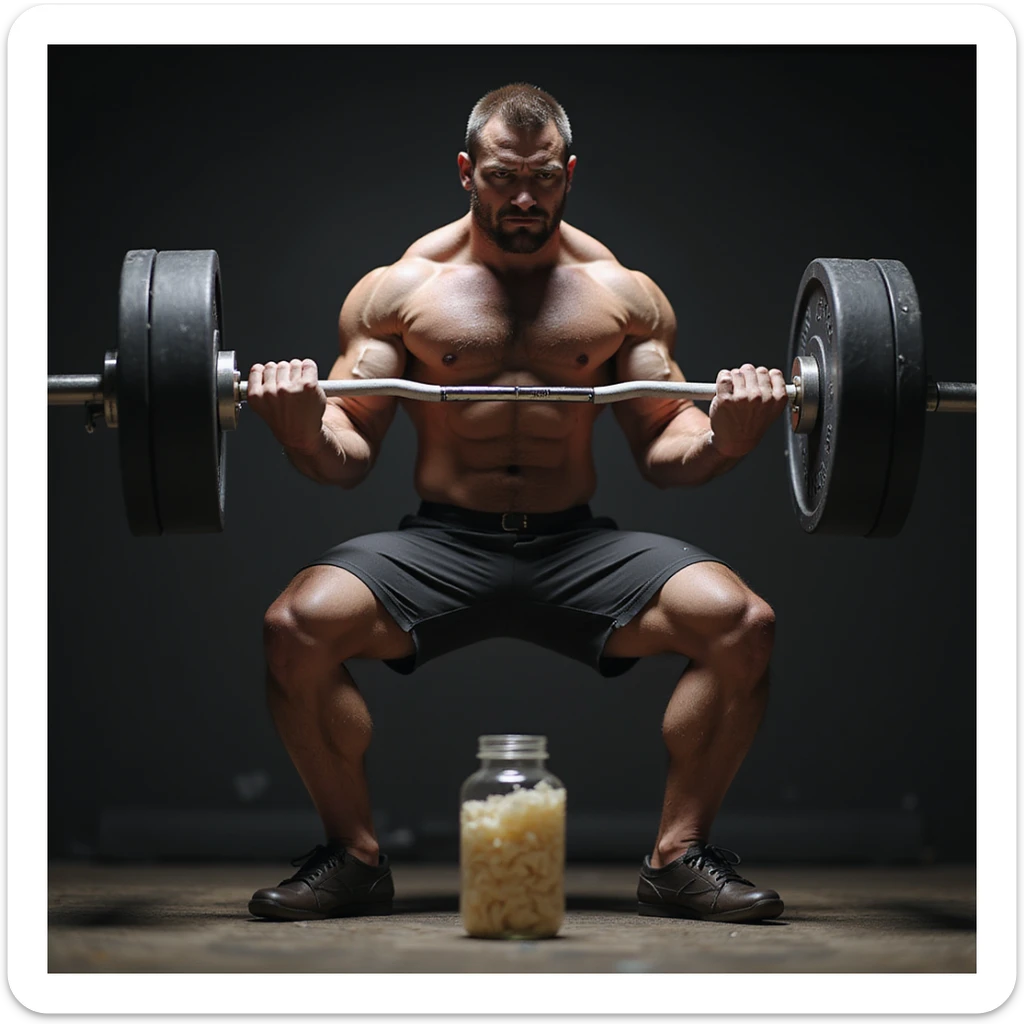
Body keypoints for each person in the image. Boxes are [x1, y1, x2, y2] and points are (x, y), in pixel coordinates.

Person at [245, 83, 789, 925]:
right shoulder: (398, 290)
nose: (525, 199)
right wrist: (297, 428)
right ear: (467, 171)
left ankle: (678, 859)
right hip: (441, 547)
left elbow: (666, 453)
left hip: (576, 549)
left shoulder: (622, 294)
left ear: (570, 173)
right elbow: (345, 452)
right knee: (295, 628)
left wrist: (730, 437)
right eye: (503, 178)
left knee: (741, 623)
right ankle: (353, 858)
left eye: (544, 179)